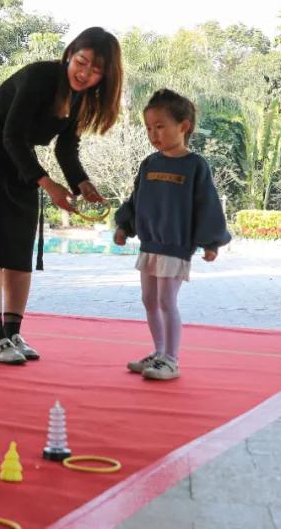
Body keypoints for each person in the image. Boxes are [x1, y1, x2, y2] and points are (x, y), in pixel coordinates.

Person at [0, 27, 123, 364]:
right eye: (81, 62)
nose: (85, 73)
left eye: (95, 71)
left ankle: (13, 332)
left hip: (22, 162)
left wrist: (82, 184)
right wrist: (48, 185)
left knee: (18, 249)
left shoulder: (82, 98)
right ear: (69, 54)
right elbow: (12, 136)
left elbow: (67, 148)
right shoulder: (40, 77)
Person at [113, 89, 231, 381]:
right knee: (149, 300)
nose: (154, 134)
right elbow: (135, 200)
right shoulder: (149, 164)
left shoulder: (195, 165)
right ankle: (158, 352)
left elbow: (207, 205)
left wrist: (211, 242)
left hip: (175, 247)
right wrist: (124, 226)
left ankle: (172, 360)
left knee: (167, 301)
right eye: (149, 128)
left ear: (184, 126)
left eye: (160, 126)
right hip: (149, 245)